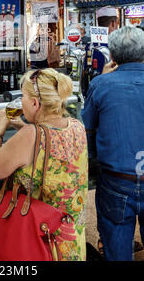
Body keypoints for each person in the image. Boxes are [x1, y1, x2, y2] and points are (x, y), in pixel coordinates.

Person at [0, 68, 88, 261]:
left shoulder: (31, 135)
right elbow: (51, 145)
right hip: (70, 239)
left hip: (40, 241)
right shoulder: (77, 126)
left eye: (23, 95)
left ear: (34, 103)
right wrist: (22, 127)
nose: (21, 101)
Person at [81, 26, 144, 261]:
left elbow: (86, 131)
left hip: (116, 180)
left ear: (113, 57)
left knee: (117, 251)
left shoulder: (101, 84)